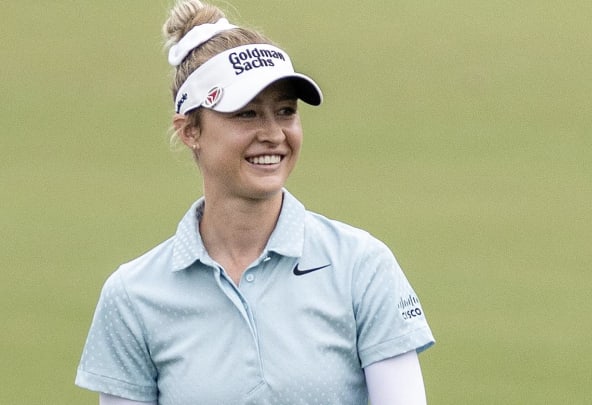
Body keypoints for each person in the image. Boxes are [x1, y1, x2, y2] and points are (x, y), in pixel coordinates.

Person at [75, 1, 434, 404]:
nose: (273, 134)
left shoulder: (361, 266)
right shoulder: (133, 296)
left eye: (285, 111)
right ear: (191, 129)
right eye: (246, 114)